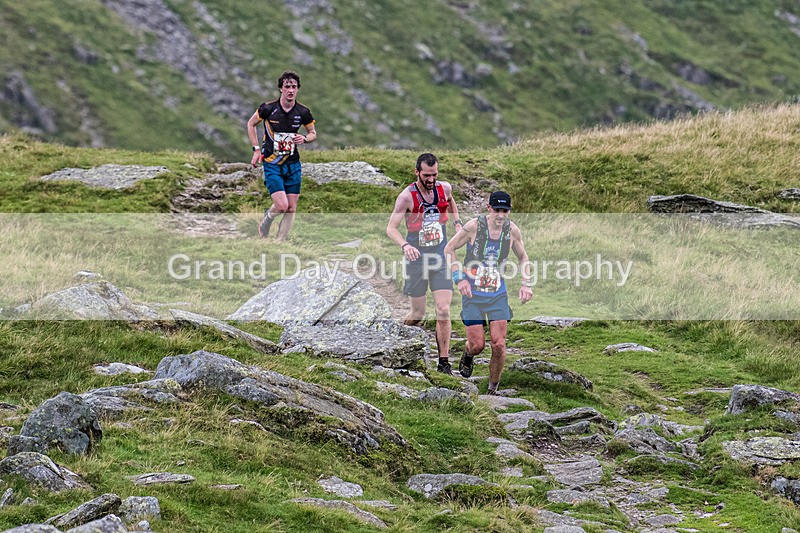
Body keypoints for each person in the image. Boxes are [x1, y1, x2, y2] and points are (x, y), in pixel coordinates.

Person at [444, 191, 533, 393]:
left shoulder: (512, 232)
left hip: (497, 294)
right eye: (497, 211)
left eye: (505, 211)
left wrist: (526, 283)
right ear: (489, 209)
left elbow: (523, 257)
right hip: (472, 295)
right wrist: (459, 279)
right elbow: (449, 249)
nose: (501, 216)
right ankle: (467, 354)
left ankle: (492, 390)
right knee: (477, 345)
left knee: (499, 344)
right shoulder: (473, 227)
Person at [386, 153, 463, 375]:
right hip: (416, 259)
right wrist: (404, 246)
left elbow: (450, 202)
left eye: (434, 174)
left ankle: (444, 362)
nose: (431, 179)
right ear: (417, 172)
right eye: (427, 175)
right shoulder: (406, 197)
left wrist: (457, 222)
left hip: (440, 256)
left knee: (443, 309)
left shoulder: (444, 188)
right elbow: (391, 228)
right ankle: (394, 339)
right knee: (418, 313)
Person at [247, 70, 317, 241]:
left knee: (291, 208)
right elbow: (251, 124)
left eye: (294, 87)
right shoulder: (268, 109)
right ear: (281, 89)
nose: (291, 90)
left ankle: (279, 243)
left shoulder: (303, 112)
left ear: (297, 89)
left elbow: (313, 133)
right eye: (287, 87)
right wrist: (256, 150)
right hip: (272, 162)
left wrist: (305, 138)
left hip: (293, 164)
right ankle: (268, 218)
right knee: (282, 205)